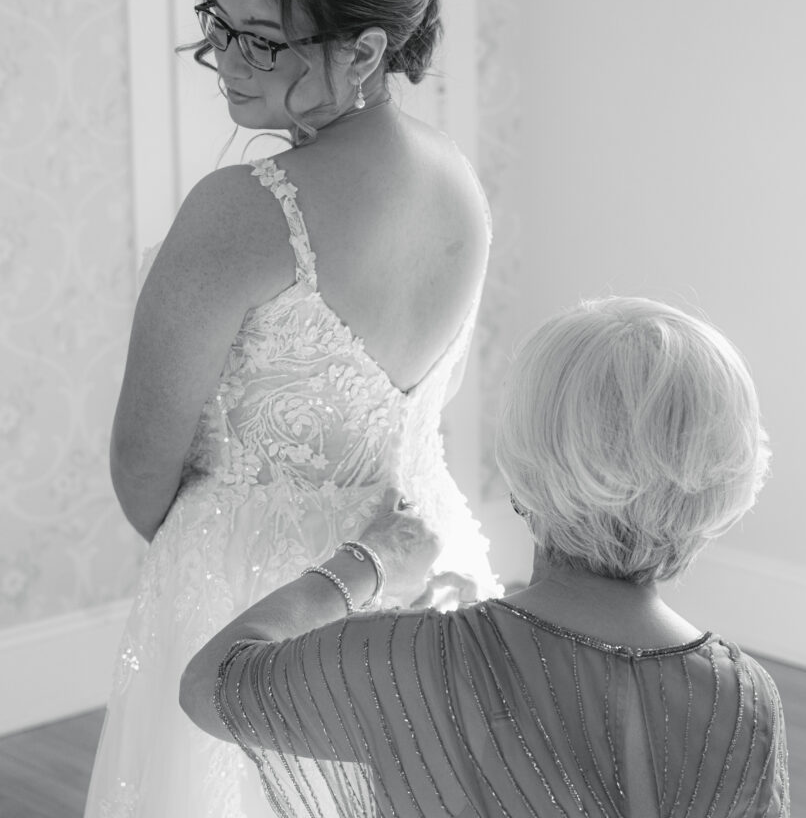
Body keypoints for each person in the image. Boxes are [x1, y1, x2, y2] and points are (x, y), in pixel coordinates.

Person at [84, 0, 500, 818]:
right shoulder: (456, 178)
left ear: (365, 52)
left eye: (263, 42)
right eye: (219, 24)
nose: (223, 61)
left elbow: (140, 465)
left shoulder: (241, 210)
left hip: (248, 608)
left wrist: (210, 551)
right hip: (418, 566)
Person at [181, 297, 790, 818]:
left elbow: (211, 683)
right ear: (719, 488)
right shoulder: (745, 697)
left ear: (524, 476)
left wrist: (367, 561)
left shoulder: (406, 660)